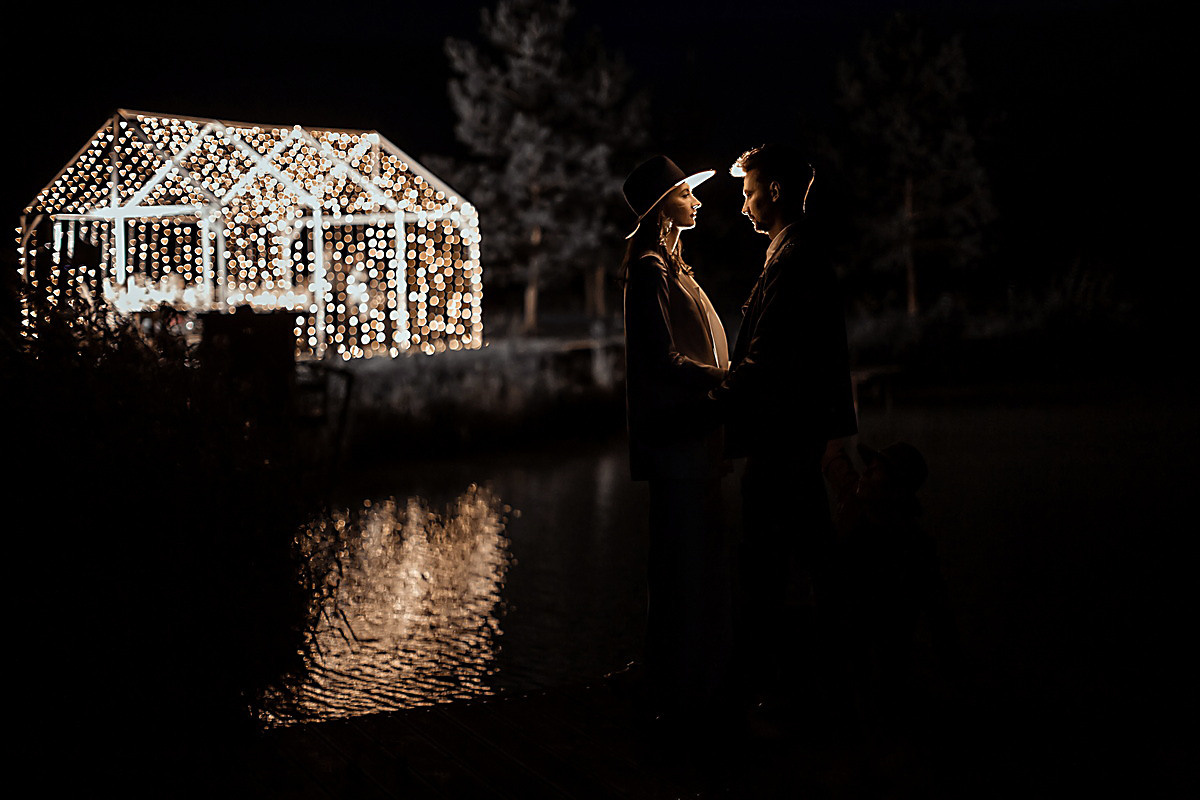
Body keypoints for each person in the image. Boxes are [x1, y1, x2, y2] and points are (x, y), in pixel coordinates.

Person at [708, 143, 859, 711]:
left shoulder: (793, 259)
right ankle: (834, 675)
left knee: (765, 564)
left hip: (781, 437)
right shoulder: (797, 251)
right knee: (815, 554)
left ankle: (752, 690)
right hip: (797, 434)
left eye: (748, 192)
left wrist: (710, 406)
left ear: (773, 190)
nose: (744, 205)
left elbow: (767, 359)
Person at [619, 155, 733, 720]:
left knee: (695, 558)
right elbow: (658, 359)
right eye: (687, 194)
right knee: (679, 560)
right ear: (664, 204)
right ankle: (672, 686)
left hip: (697, 437)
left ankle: (686, 677)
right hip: (677, 443)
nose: (698, 201)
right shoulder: (648, 269)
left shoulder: (672, 264)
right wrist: (728, 381)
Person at [823, 441, 960, 722]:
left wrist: (951, 672)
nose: (867, 471)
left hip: (884, 662)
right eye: (870, 465)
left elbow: (939, 613)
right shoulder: (855, 505)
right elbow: (836, 466)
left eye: (879, 469)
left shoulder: (914, 549)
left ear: (897, 491)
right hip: (847, 656)